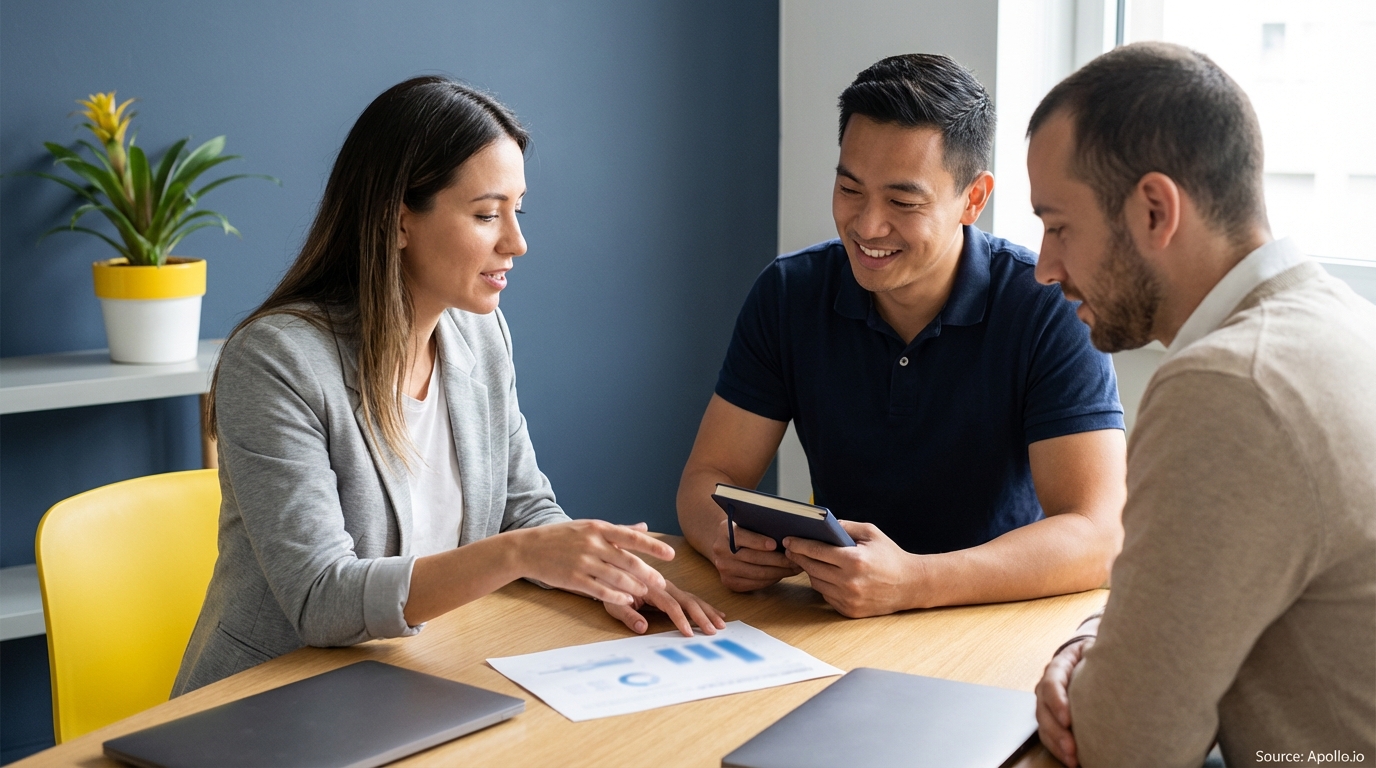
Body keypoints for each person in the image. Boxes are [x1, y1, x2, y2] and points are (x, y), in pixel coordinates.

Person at [175, 77, 724, 695]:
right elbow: (320, 598)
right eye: (488, 214)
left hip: (414, 681)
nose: (516, 242)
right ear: (399, 220)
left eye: (518, 210)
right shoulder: (277, 361)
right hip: (271, 701)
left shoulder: (478, 337)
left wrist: (606, 572)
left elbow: (521, 507)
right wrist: (522, 554)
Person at [676, 54, 1128, 618]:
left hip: (994, 620)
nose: (867, 226)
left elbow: (1097, 534)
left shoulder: (1047, 305)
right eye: (850, 188)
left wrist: (915, 581)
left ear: (973, 199)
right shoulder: (790, 293)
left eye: (903, 202)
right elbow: (706, 479)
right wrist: (726, 537)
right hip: (838, 619)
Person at [1028, 42, 1376, 767]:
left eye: (1059, 226)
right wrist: (1104, 643)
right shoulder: (1340, 320)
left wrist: (1089, 666)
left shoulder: (1229, 388)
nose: (1044, 268)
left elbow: (1126, 746)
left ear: (1155, 209)